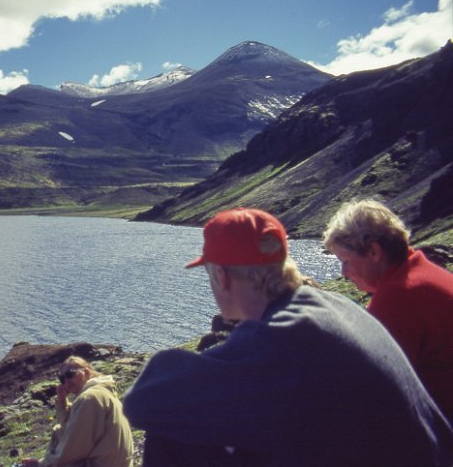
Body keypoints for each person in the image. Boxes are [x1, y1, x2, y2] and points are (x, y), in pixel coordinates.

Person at [123, 207, 452, 466]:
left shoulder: (284, 338)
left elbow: (144, 401)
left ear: (221, 277)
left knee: (172, 434)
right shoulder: (330, 306)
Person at [323, 199, 453, 424]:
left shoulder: (400, 296)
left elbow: (370, 388)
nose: (343, 273)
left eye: (345, 261)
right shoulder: (421, 272)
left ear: (374, 252)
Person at [21, 356, 134, 467]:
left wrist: (41, 464)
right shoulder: (102, 392)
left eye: (70, 374)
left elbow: (71, 449)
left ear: (86, 371)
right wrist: (62, 402)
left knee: (57, 434)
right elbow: (71, 429)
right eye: (62, 379)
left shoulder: (89, 398)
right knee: (60, 432)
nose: (66, 381)